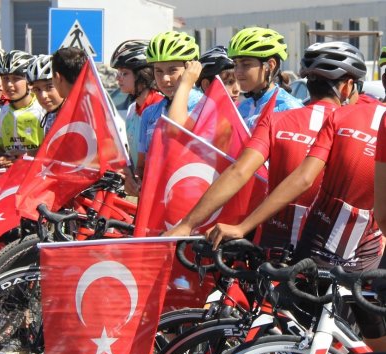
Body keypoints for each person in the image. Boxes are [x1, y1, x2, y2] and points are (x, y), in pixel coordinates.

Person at [167, 41, 369, 253]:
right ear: (347, 86)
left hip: (273, 244)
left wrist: (186, 224)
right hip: (340, 250)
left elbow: (238, 172)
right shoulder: (358, 127)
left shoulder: (276, 119)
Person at [131, 31, 202, 194]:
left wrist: (185, 84)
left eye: (173, 70)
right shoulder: (150, 113)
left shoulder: (205, 106)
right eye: (159, 71)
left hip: (192, 197)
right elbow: (142, 166)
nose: (165, 79)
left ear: (191, 69)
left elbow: (175, 130)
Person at [228, 27, 303, 127]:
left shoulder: (289, 109)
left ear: (270, 65)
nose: (238, 71)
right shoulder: (242, 108)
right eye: (235, 64)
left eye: (246, 64)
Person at [110, 40, 164, 167]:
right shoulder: (131, 109)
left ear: (142, 75)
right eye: (118, 73)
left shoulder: (161, 109)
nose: (118, 78)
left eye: (124, 73)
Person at [0, 50, 45, 165]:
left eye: (16, 78)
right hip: (13, 178)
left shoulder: (43, 108)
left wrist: (24, 155)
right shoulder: (4, 110)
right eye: (5, 78)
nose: (9, 85)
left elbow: (54, 150)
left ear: (29, 81)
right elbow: (2, 148)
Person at [26, 54, 63, 135]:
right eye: (37, 89)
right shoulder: (49, 116)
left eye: (49, 87)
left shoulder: (77, 116)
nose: (43, 96)